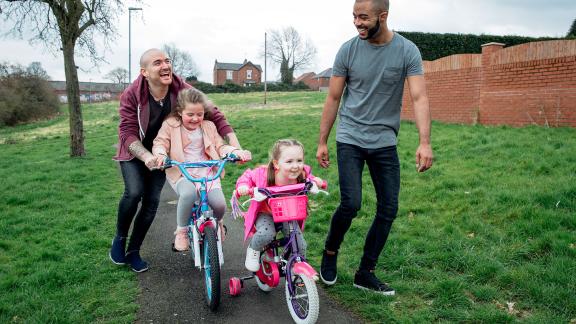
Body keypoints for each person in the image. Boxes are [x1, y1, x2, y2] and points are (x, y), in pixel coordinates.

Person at [316, 0, 434, 295]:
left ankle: (365, 272)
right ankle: (330, 252)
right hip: (350, 137)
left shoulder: (407, 51)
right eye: (355, 16)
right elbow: (333, 98)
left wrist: (424, 141)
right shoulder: (348, 50)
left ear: (383, 16)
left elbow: (419, 97)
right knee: (351, 203)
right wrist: (322, 141)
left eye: (364, 17)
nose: (357, 22)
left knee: (389, 208)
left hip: (384, 141)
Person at [110, 48, 242, 272]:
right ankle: (120, 238)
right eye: (157, 62)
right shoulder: (132, 94)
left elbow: (214, 113)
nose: (165, 65)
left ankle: (133, 251)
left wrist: (235, 147)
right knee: (133, 193)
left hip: (166, 152)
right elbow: (127, 132)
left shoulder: (181, 88)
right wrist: (147, 156)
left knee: (151, 202)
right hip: (138, 151)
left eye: (167, 61)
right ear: (144, 72)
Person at [152, 88, 251, 251]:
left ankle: (218, 223)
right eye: (190, 114)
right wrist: (161, 155)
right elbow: (160, 143)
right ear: (180, 111)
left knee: (219, 205)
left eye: (199, 114)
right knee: (189, 194)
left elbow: (220, 146)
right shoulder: (170, 125)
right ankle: (182, 231)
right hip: (183, 171)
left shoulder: (209, 126)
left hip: (207, 171)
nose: (195, 118)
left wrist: (235, 152)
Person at [236, 139, 324, 272]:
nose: (295, 166)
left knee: (300, 244)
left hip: (288, 212)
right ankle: (253, 249)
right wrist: (243, 186)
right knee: (266, 234)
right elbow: (247, 177)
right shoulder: (264, 174)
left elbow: (310, 178)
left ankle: (298, 270)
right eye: (289, 161)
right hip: (266, 212)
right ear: (276, 164)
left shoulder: (302, 174)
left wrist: (316, 182)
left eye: (299, 160)